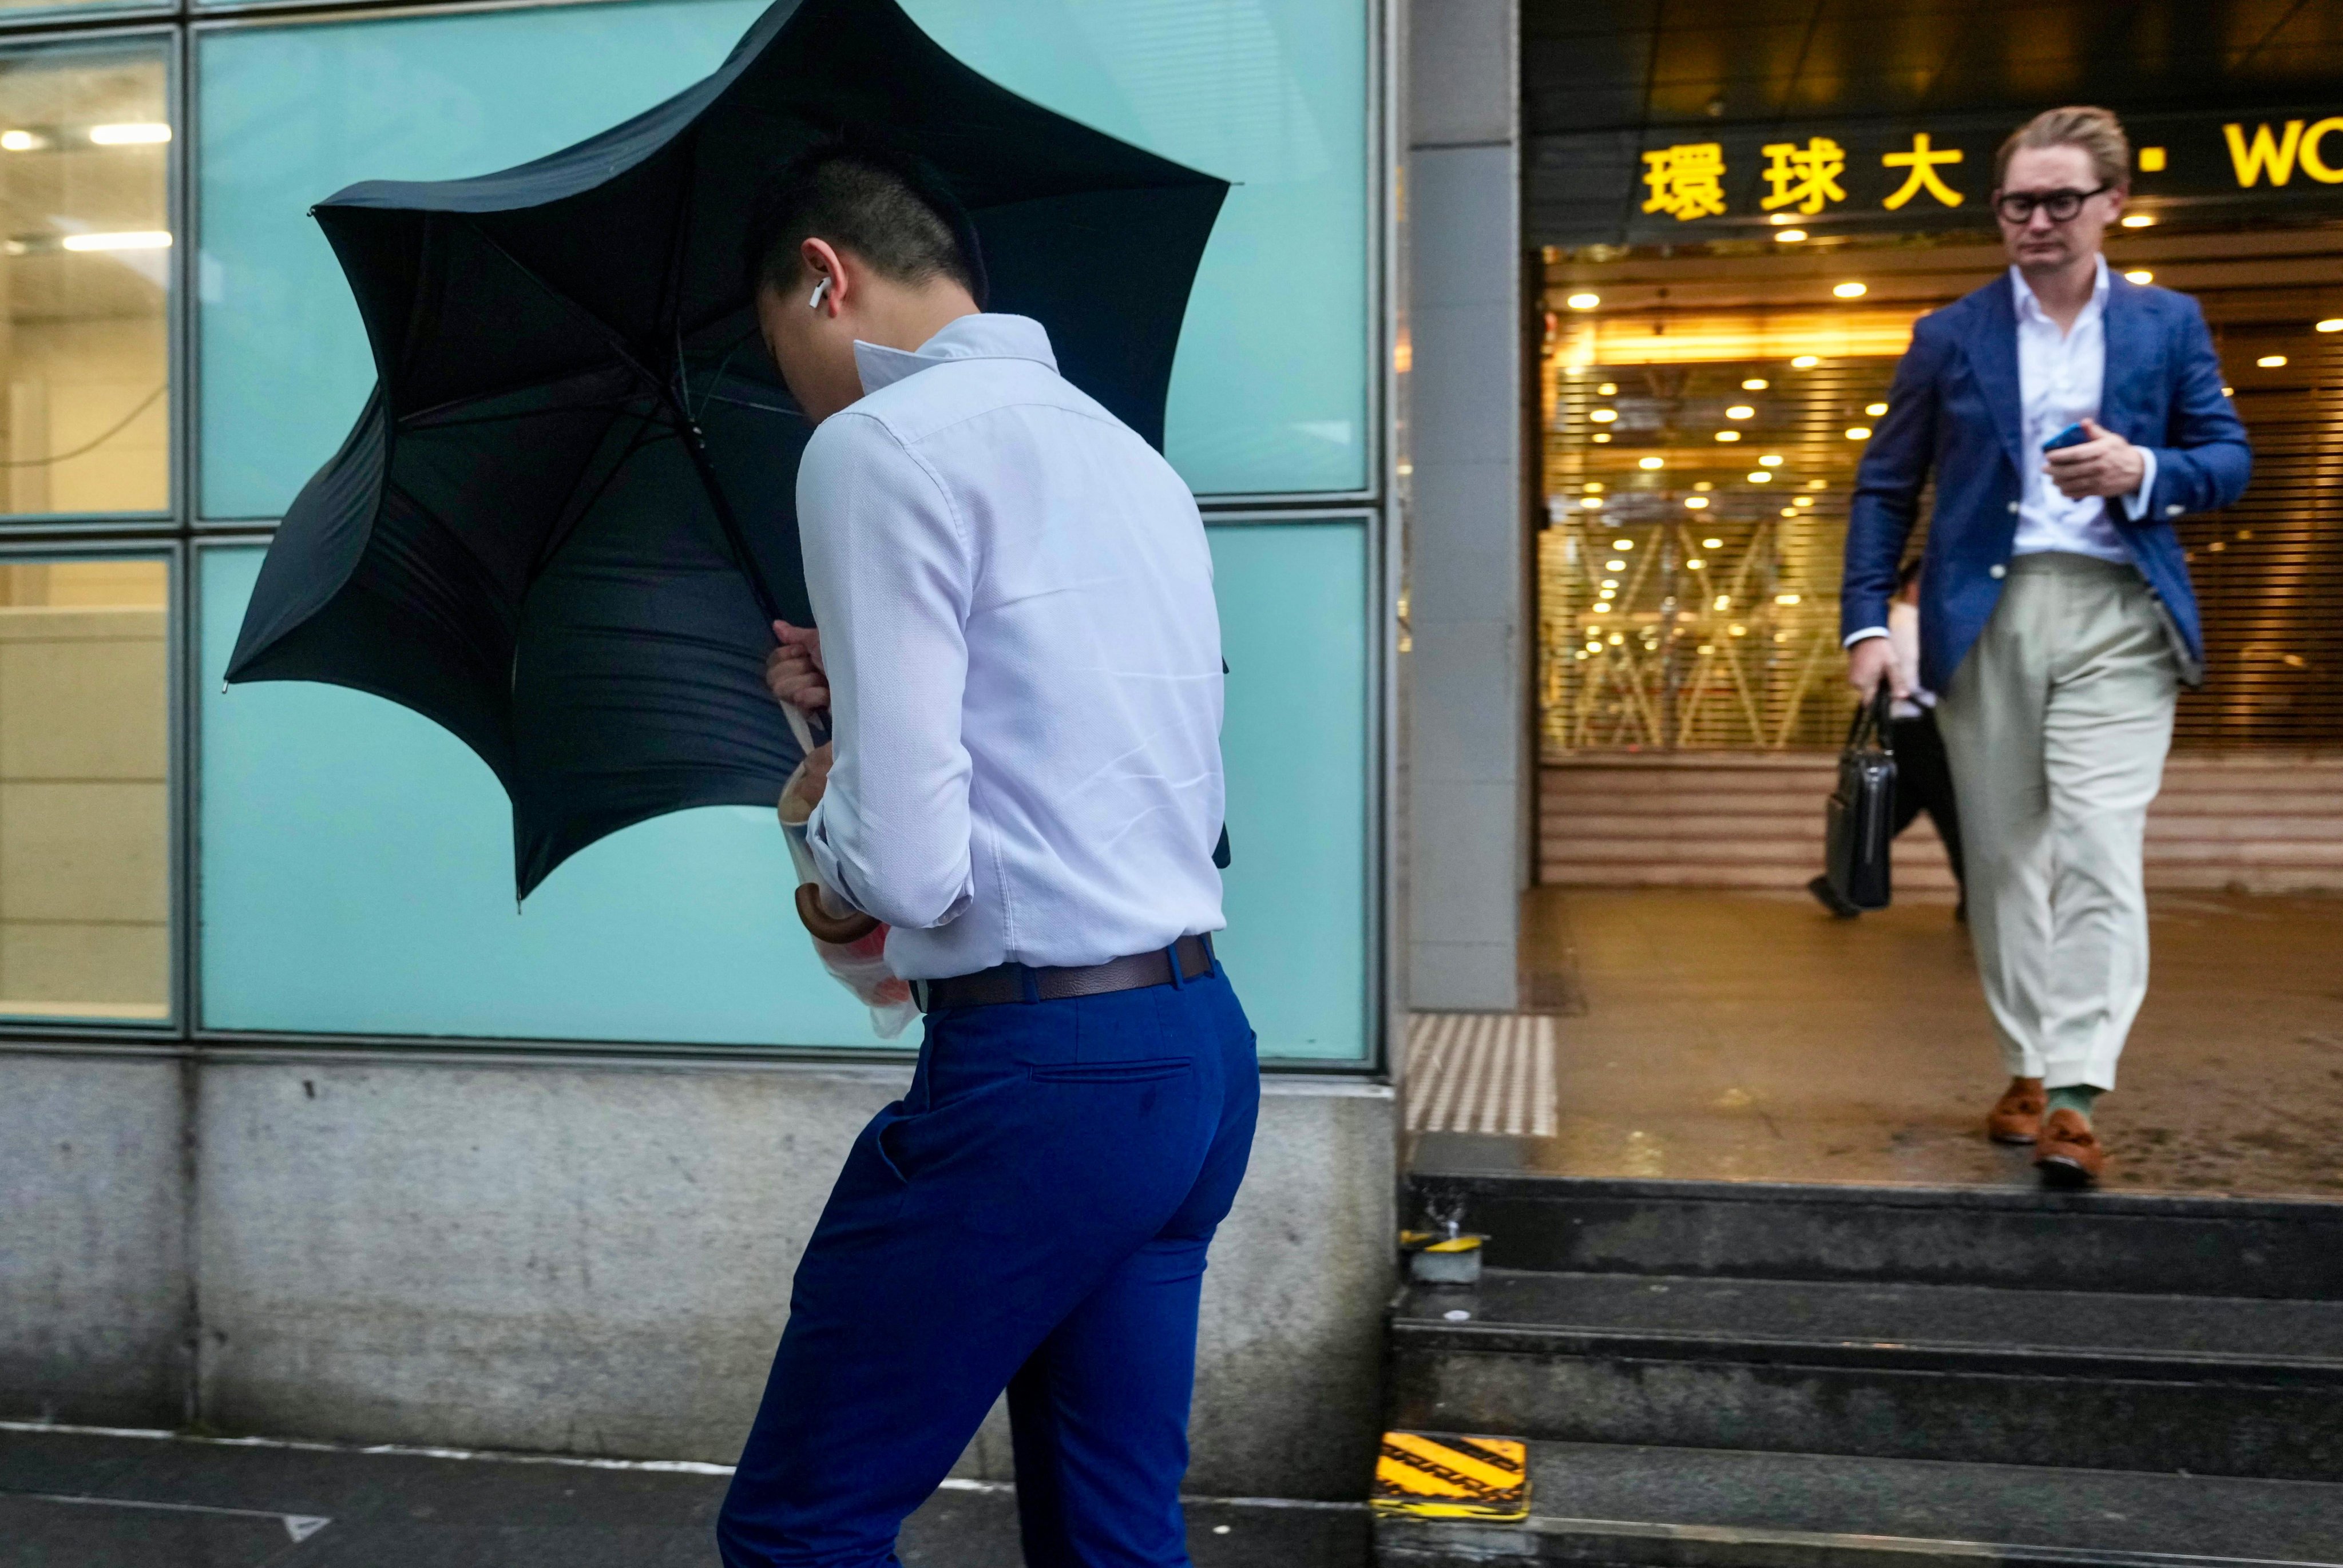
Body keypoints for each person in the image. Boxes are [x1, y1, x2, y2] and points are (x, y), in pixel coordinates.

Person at [715, 144, 1256, 1567]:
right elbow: (1093, 752)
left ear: (826, 277)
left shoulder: (874, 447)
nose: (798, 397)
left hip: (1042, 1077)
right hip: (1196, 1044)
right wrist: (870, 706)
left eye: (786, 355)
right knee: (1112, 1535)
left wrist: (817, 806)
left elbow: (906, 873)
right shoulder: (1128, 457)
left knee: (800, 1524)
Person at [1839, 106, 2250, 1188]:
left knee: (2100, 844)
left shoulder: (2168, 325)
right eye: (2017, 202)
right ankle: (2024, 1066)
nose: (2036, 221)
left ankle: (2075, 1093)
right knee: (2009, 856)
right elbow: (1887, 484)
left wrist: (2145, 470)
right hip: (1989, 616)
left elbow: (2229, 458)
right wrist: (1872, 624)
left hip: (2120, 613)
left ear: (2113, 203)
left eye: (2060, 200)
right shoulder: (1952, 333)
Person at [1808, 561, 1968, 922]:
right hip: (1920, 730)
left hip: (1909, 730)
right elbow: (1922, 679)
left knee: (1894, 815)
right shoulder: (1909, 624)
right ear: (1915, 587)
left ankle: (1837, 885)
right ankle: (1975, 899)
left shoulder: (1900, 622)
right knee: (1952, 814)